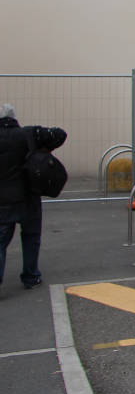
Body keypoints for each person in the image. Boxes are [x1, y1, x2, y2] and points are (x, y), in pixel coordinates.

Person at [0, 104, 66, 291]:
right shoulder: (28, 134)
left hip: (3, 200)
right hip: (29, 196)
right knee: (30, 237)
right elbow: (60, 134)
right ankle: (30, 276)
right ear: (13, 118)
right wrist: (43, 149)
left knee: (1, 240)